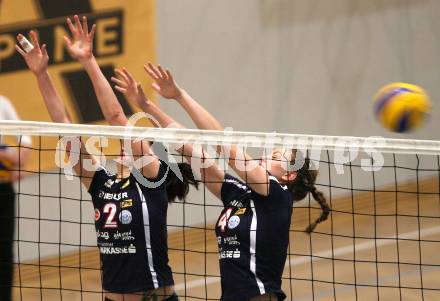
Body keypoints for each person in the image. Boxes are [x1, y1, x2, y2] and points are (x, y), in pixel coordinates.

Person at [111, 64, 330, 301]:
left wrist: (182, 96)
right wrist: (147, 106)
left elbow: (223, 143)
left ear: (289, 176)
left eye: (276, 157)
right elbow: (190, 149)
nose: (266, 156)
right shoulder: (238, 194)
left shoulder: (278, 196)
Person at [16, 16, 197, 301]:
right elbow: (64, 126)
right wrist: (41, 74)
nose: (133, 148)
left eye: (143, 149)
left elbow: (116, 118)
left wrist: (89, 61)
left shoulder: (152, 181)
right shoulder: (101, 184)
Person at [0, 95, 31, 301]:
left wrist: (17, 164)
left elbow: (26, 140)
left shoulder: (2, 102)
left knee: (4, 251)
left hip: (3, 188)